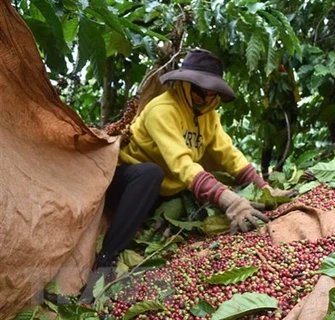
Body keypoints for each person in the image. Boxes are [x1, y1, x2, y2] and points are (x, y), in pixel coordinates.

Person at [93, 48, 297, 277]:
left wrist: (264, 188)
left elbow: (228, 154)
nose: (204, 100)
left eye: (211, 94)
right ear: (185, 84)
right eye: (199, 92)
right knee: (151, 174)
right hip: (128, 184)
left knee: (203, 189)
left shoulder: (209, 115)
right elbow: (182, 163)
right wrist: (230, 201)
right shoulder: (162, 110)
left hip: (164, 192)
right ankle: (106, 259)